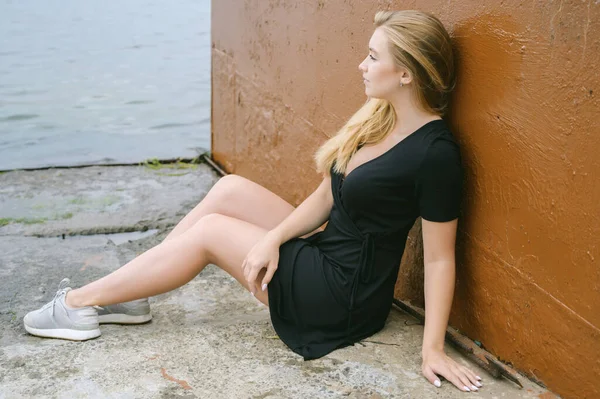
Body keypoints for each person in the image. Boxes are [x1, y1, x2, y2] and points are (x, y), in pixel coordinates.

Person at [24, 10, 483, 393]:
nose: (361, 65)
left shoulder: (434, 154)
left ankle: (81, 303)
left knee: (209, 234)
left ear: (406, 72)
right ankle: (130, 293)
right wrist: (275, 239)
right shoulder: (380, 119)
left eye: (372, 56)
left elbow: (441, 259)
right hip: (326, 249)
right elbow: (326, 196)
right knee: (229, 189)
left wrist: (433, 348)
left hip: (341, 295)